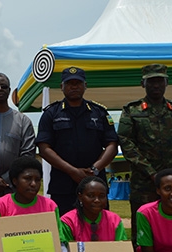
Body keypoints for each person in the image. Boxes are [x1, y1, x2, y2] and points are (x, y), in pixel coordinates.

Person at [117, 64, 172, 246]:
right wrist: (151, 173)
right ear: (143, 83)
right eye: (151, 81)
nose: (156, 85)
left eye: (160, 81)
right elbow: (126, 143)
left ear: (166, 83)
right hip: (145, 181)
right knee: (142, 223)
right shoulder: (131, 111)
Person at [36, 66, 118, 214]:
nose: (74, 86)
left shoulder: (99, 112)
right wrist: (72, 171)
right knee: (63, 229)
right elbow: (44, 148)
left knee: (98, 229)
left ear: (85, 86)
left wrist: (95, 169)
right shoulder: (51, 114)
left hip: (95, 184)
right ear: (61, 87)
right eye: (69, 83)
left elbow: (112, 144)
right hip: (63, 184)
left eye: (78, 83)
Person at [0, 73, 36, 207]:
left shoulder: (23, 121)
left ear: (9, 90)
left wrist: (7, 179)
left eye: (3, 86)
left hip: (14, 187)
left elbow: (27, 155)